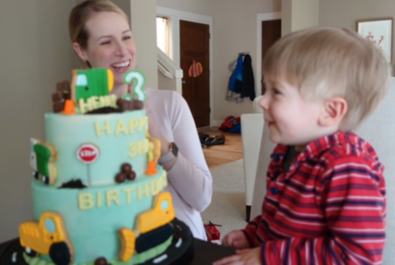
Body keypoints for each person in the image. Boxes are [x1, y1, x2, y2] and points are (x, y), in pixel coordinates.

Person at [214, 27, 389, 265]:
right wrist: (253, 235)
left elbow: (356, 256)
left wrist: (268, 256)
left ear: (330, 111)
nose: (263, 101)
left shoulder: (347, 167)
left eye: (277, 92)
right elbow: (279, 215)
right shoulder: (288, 150)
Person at [69, 0, 212, 240]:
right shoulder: (71, 121)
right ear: (82, 51)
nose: (122, 50)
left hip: (179, 243)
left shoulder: (169, 104)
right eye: (106, 41)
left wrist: (158, 137)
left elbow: (202, 198)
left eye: (126, 37)